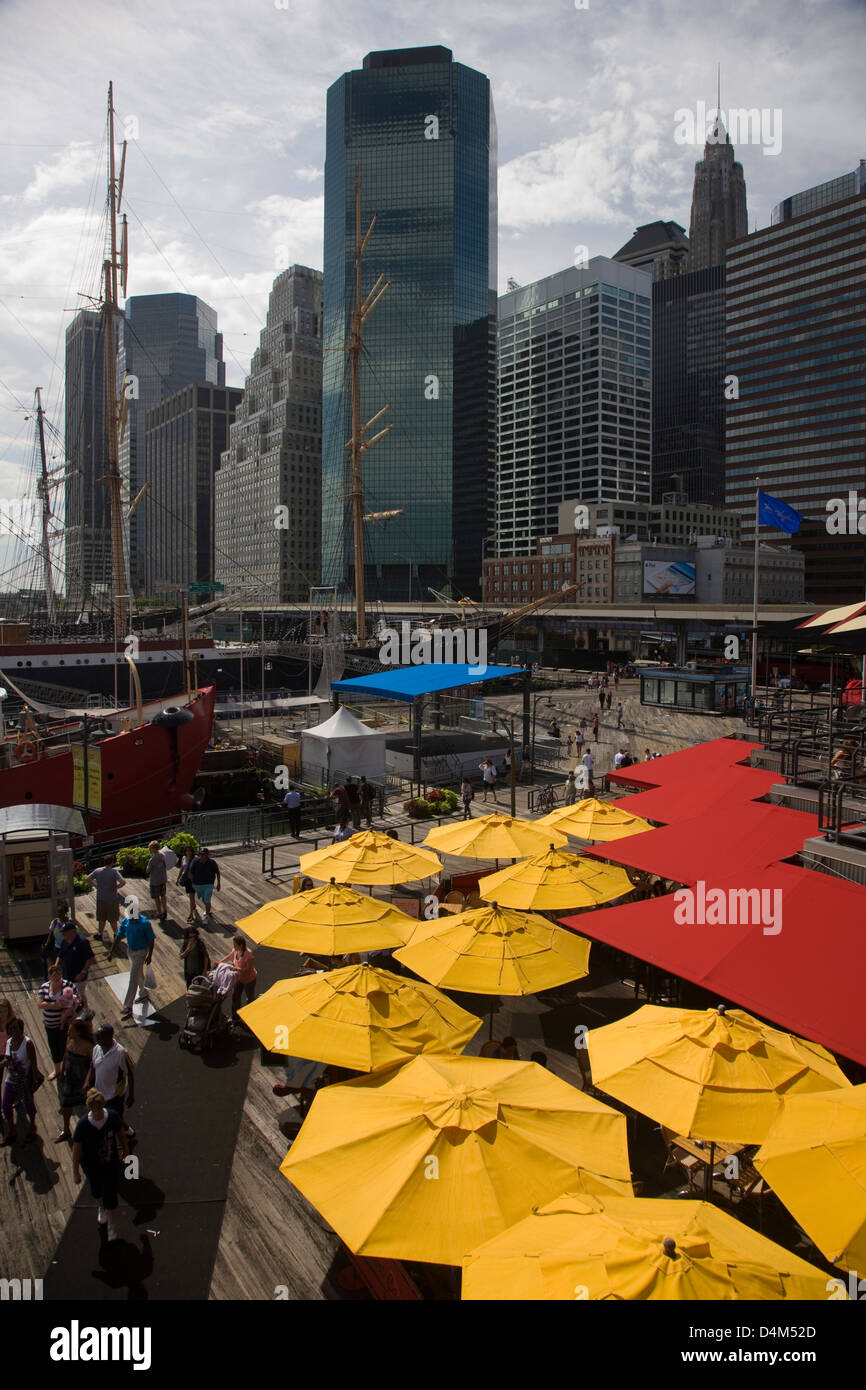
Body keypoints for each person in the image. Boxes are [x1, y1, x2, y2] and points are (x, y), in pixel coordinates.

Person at [71, 1088, 128, 1242]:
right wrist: (75, 1172)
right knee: (97, 1190)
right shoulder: (83, 1125)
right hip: (91, 1165)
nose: (97, 1114)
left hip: (110, 1162)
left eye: (99, 1110)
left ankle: (111, 1225)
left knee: (110, 1192)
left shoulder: (112, 1117)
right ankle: (101, 1207)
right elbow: (77, 1149)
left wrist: (126, 1151)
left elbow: (121, 1133)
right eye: (94, 1111)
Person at [111, 899, 155, 1020]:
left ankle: (128, 1006)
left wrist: (149, 955)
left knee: (132, 978)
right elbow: (119, 936)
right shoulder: (126, 922)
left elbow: (151, 940)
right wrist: (111, 951)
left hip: (141, 952)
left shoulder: (144, 923)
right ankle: (144, 993)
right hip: (131, 951)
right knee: (138, 974)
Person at [87, 1025, 135, 1133]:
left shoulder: (121, 1053)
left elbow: (130, 1074)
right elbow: (92, 1066)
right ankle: (127, 1133)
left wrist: (131, 1095)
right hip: (99, 1093)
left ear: (108, 1037)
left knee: (114, 1119)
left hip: (115, 1095)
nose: (97, 1039)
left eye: (100, 1037)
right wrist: (87, 1082)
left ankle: (127, 1136)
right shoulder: (96, 1049)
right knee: (106, 1118)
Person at [0, 1016, 39, 1145]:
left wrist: (34, 1081)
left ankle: (33, 1127)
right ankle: (12, 1130)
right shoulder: (10, 1042)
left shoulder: (27, 1044)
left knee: (29, 1105)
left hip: (25, 1079)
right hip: (11, 1078)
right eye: (11, 1028)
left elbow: (33, 1063)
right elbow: (8, 1058)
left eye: (16, 1027)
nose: (14, 1030)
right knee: (6, 1106)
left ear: (21, 1028)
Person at [36, 964, 78, 1081]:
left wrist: (71, 1009)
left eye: (58, 974)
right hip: (50, 1025)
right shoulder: (44, 987)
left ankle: (65, 1069)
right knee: (54, 1047)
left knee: (65, 1046)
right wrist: (56, 1006)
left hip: (66, 1024)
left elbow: (77, 999)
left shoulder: (69, 985)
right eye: (53, 975)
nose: (56, 977)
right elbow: (40, 1004)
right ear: (49, 976)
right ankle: (57, 1070)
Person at [56, 1017, 94, 1143]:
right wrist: (62, 1071)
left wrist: (87, 1082)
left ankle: (87, 1134)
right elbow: (65, 1054)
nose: (68, 1032)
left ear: (78, 1032)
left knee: (85, 1108)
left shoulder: (88, 1046)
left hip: (82, 1080)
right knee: (66, 1105)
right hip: (70, 1078)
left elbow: (93, 1065)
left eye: (71, 1030)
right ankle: (66, 1130)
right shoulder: (70, 1040)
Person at [85, 853, 127, 947]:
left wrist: (96, 886)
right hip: (112, 898)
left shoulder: (97, 871)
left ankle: (100, 934)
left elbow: (87, 879)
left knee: (101, 917)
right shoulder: (114, 872)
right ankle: (116, 933)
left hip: (101, 898)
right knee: (113, 918)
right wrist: (117, 887)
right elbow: (123, 882)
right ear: (112, 862)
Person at [57, 922, 94, 1014]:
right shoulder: (64, 941)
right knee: (68, 995)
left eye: (65, 932)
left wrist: (83, 973)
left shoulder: (82, 942)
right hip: (66, 975)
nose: (63, 934)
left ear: (72, 932)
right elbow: (60, 955)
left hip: (78, 977)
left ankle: (85, 1010)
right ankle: (71, 1011)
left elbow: (90, 958)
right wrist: (56, 965)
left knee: (80, 995)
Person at [220, 935, 257, 1025]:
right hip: (238, 978)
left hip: (249, 979)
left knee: (250, 998)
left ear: (241, 945)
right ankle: (235, 1016)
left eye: (235, 945)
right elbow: (229, 957)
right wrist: (220, 963)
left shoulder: (248, 954)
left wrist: (237, 969)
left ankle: (251, 1016)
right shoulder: (235, 951)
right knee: (235, 996)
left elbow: (249, 969)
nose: (234, 947)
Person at [42, 900, 74, 982]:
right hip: (57, 947)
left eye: (61, 912)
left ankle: (66, 979)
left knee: (66, 965)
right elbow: (51, 935)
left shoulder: (69, 922)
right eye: (58, 912)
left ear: (65, 912)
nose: (59, 914)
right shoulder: (55, 922)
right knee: (58, 964)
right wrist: (46, 944)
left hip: (67, 948)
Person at [189, 847, 220, 926]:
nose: (203, 856)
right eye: (201, 854)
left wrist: (218, 883)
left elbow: (217, 873)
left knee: (207, 899)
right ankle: (208, 909)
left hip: (208, 884)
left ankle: (207, 915)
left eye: (204, 854)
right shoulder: (196, 862)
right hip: (198, 884)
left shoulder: (212, 862)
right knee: (204, 899)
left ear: (207, 855)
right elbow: (191, 872)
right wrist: (192, 882)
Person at [177, 850, 198, 921]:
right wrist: (178, 878)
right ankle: (193, 907)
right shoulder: (183, 858)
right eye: (187, 851)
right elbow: (182, 868)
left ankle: (191, 913)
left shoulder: (195, 858)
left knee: (191, 896)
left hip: (192, 879)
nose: (188, 852)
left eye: (189, 850)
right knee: (191, 896)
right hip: (186, 879)